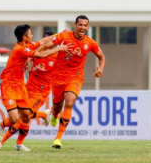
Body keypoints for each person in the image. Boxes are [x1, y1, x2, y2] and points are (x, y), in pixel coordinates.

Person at [0, 25, 71, 151]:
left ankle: (4, 143)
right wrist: (31, 57)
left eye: (51, 40)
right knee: (17, 118)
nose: (33, 36)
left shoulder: (54, 56)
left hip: (38, 90)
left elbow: (42, 42)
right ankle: (42, 116)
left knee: (25, 116)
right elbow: (39, 54)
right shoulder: (25, 50)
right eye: (30, 34)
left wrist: (61, 34)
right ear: (24, 37)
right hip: (18, 86)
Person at [37, 15, 106, 149]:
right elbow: (45, 46)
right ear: (75, 25)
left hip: (75, 77)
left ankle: (58, 138)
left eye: (85, 25)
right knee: (57, 108)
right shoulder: (64, 37)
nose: (83, 27)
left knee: (69, 102)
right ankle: (54, 114)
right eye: (80, 25)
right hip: (58, 78)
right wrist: (31, 56)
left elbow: (102, 57)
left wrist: (101, 69)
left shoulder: (90, 43)